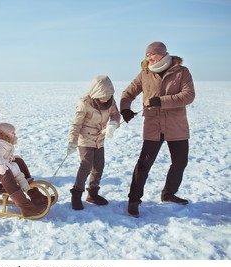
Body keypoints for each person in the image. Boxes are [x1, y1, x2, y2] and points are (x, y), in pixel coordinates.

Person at [120, 41, 195, 218]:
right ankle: (133, 200)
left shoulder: (181, 72)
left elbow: (188, 95)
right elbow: (128, 93)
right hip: (153, 126)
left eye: (152, 54)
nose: (149, 58)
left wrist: (162, 101)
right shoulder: (145, 74)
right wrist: (125, 109)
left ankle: (169, 193)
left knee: (180, 162)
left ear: (162, 53)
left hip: (176, 126)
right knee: (144, 164)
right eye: (147, 55)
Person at [67, 75, 121, 210]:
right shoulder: (85, 103)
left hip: (100, 139)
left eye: (108, 95)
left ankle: (93, 193)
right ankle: (76, 194)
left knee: (99, 166)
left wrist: (113, 124)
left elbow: (115, 114)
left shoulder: (111, 101)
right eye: (102, 95)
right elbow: (76, 125)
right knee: (86, 165)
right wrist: (72, 142)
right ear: (95, 93)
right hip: (85, 139)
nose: (106, 98)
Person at [0, 122, 31, 193]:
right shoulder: (0, 145)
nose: (15, 134)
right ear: (5, 134)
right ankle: (22, 181)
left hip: (4, 162)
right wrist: (0, 165)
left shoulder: (4, 142)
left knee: (17, 161)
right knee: (13, 166)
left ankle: (26, 180)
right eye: (12, 132)